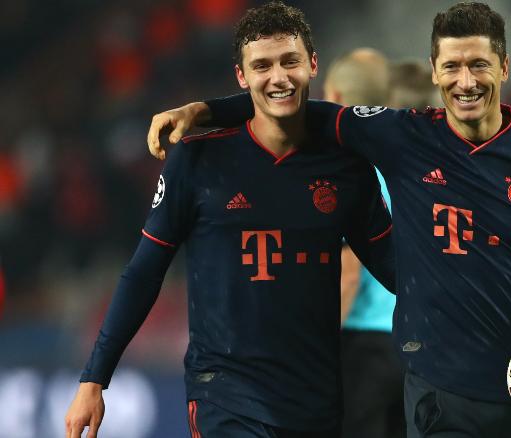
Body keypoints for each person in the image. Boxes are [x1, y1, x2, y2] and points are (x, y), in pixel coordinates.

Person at [148, 3, 511, 436]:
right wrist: (204, 111)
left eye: (479, 65)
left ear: (503, 68)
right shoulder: (403, 136)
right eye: (453, 67)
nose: (467, 81)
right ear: (435, 73)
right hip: (440, 390)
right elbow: (294, 104)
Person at [64, 3, 394, 438]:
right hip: (226, 393)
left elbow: (398, 269)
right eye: (261, 66)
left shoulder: (345, 168)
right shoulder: (197, 160)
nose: (277, 77)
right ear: (241, 76)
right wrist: (94, 377)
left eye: (289, 61)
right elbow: (144, 274)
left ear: (312, 64)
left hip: (315, 399)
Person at [322, 47, 405, 438]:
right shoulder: (406, 166)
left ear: (335, 96)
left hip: (363, 345)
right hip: (410, 339)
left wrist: (315, 350)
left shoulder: (344, 172)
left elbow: (349, 273)